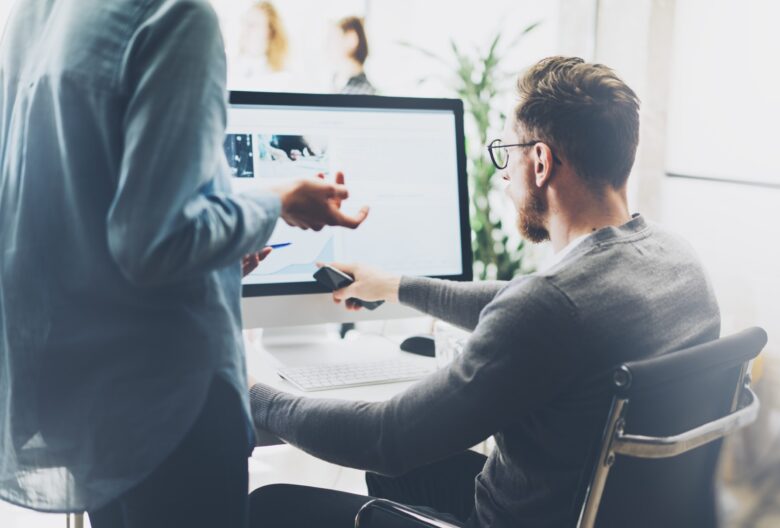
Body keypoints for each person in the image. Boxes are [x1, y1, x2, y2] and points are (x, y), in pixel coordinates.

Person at [247, 56, 721, 527]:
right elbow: (521, 298)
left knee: (270, 504)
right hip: (598, 510)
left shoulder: (550, 308)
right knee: (399, 477)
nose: (503, 173)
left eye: (506, 152)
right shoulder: (678, 262)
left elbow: (386, 438)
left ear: (540, 161)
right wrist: (394, 286)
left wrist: (255, 396)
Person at [0, 1, 367, 528]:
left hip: (86, 394)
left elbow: (82, 212)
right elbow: (156, 241)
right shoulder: (176, 16)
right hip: (169, 402)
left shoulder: (38, 14)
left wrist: (217, 249)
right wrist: (275, 202)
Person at [230, 1, 295, 92]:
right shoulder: (230, 69)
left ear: (269, 32)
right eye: (244, 23)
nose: (245, 30)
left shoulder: (282, 79)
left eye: (253, 25)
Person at [329, 16, 377, 95]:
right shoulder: (335, 82)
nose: (329, 45)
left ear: (351, 39)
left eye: (333, 38)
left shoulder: (364, 93)